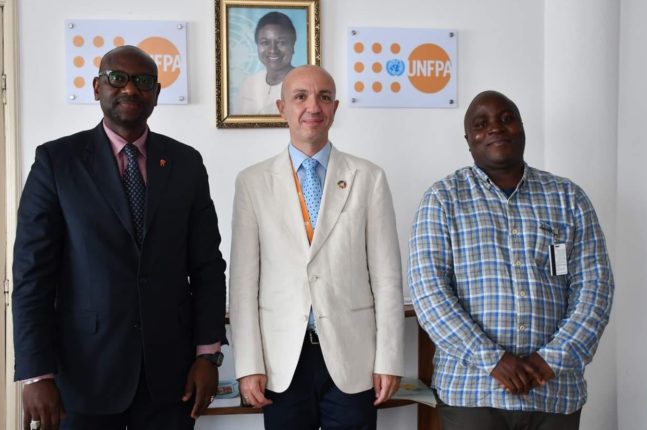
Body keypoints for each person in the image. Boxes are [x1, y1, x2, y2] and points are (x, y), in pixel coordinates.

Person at [12, 45, 228, 430]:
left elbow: (208, 267)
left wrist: (208, 355)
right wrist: (36, 373)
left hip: (172, 376)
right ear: (97, 87)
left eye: (143, 81)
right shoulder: (57, 162)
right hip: (83, 374)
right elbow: (32, 275)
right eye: (117, 78)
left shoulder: (185, 163)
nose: (130, 88)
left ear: (156, 94)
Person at [408, 90, 614, 430]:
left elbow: (595, 289)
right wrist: (492, 360)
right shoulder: (442, 199)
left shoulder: (568, 198)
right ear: (468, 140)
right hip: (472, 392)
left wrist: (552, 360)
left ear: (522, 127)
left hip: (554, 391)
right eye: (481, 124)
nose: (495, 128)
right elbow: (428, 292)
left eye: (506, 119)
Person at [229, 65, 405, 429]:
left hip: (353, 357)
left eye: (324, 97)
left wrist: (389, 359)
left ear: (335, 108)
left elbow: (387, 278)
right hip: (281, 361)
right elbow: (243, 285)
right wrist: (248, 366)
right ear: (282, 108)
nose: (313, 106)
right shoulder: (252, 182)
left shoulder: (368, 178)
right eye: (300, 97)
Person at [233, 11, 297, 115]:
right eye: (265, 42)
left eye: (281, 42)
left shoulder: (303, 85)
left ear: (293, 45)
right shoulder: (248, 84)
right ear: (257, 46)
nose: (273, 50)